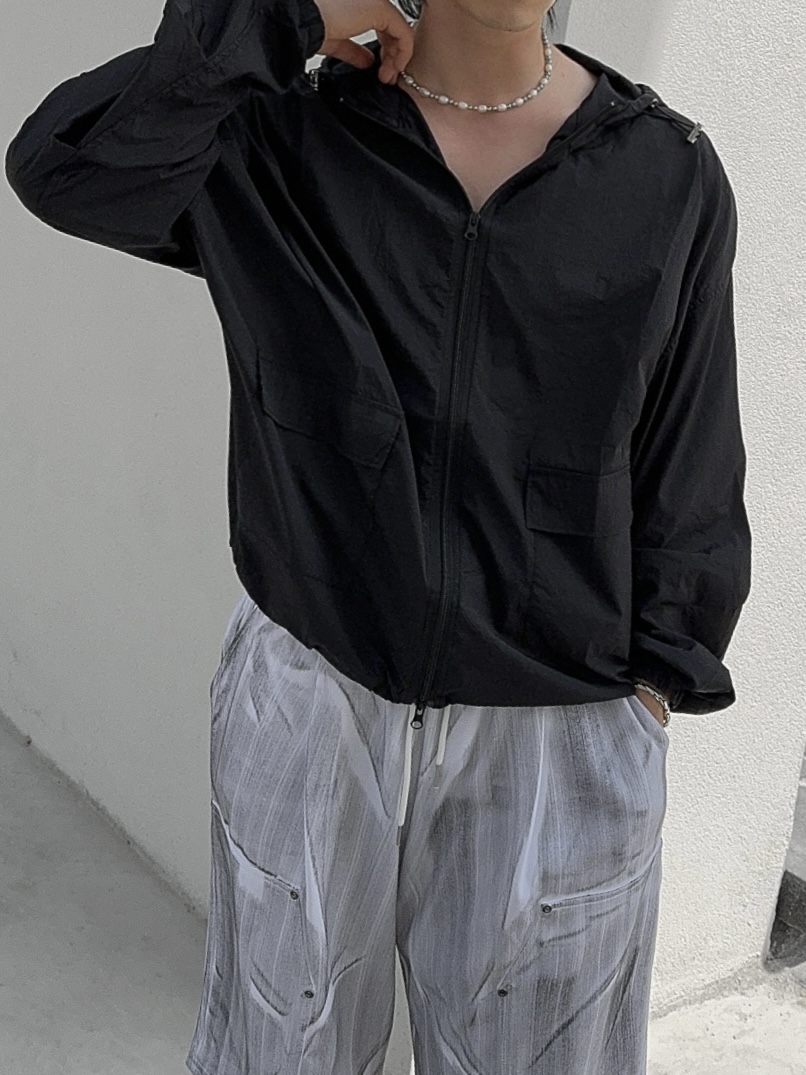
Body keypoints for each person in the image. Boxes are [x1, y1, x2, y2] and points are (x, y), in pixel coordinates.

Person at [5, 0, 752, 1071]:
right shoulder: (282, 139)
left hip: (558, 721)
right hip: (311, 690)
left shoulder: (665, 174)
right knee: (278, 1051)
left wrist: (651, 691)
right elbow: (66, 167)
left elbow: (689, 456)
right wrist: (284, 15)